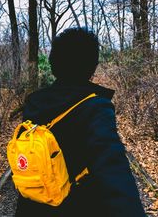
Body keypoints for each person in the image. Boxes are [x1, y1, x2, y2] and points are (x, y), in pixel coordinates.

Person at [15, 27, 146, 216]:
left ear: (53, 63)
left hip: (32, 205)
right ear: (92, 66)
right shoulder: (96, 107)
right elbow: (112, 170)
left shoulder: (34, 102)